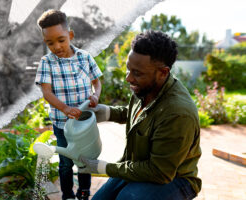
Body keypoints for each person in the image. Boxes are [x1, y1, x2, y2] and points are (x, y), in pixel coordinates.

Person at [79, 30, 202, 200]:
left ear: (163, 73)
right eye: (129, 70)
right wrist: (106, 112)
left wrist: (105, 168)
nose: (129, 78)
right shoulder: (147, 87)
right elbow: (141, 113)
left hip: (175, 178)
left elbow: (159, 172)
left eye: (136, 73)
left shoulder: (178, 114)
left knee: (126, 198)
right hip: (140, 167)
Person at [35, 9, 102, 200]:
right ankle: (67, 194)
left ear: (70, 35)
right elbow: (46, 92)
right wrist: (64, 109)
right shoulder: (46, 62)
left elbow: (96, 82)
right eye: (50, 43)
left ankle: (84, 192)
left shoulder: (85, 57)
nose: (56, 46)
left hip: (84, 123)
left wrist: (95, 95)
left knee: (85, 160)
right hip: (62, 124)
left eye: (61, 40)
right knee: (65, 162)